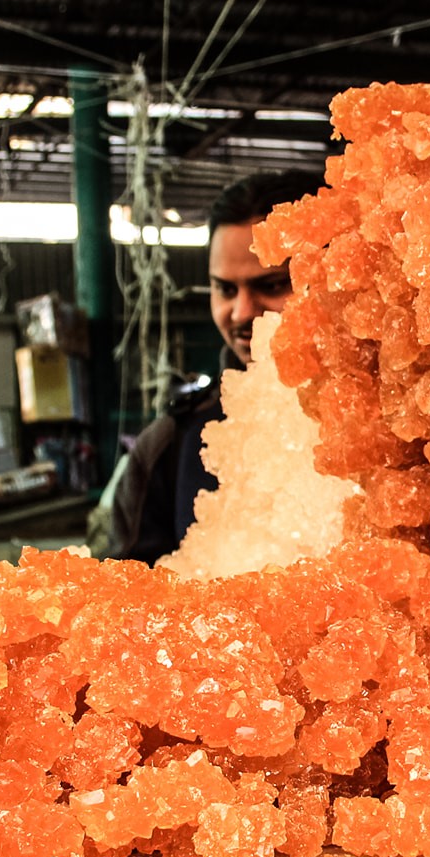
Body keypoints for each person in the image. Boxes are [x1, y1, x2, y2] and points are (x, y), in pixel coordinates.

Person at [97, 170, 314, 563]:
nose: (241, 312)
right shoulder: (169, 445)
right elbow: (125, 601)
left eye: (272, 285)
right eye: (225, 289)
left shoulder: (402, 435)